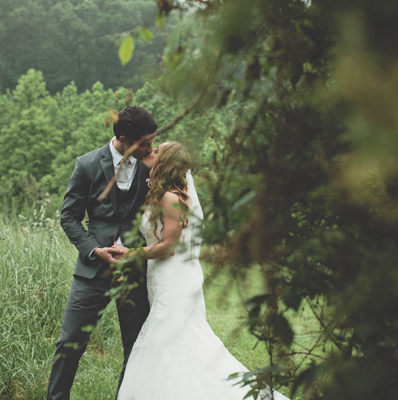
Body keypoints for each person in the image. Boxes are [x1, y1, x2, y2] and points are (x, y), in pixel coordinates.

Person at [111, 141, 290, 400]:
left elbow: (169, 246)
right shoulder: (165, 192)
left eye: (157, 150)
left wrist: (130, 254)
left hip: (172, 276)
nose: (152, 151)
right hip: (162, 275)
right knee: (176, 339)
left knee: (170, 337)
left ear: (165, 163)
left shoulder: (170, 197)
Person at [47, 105, 158, 400]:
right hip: (93, 271)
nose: (151, 148)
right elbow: (69, 217)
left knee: (135, 347)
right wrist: (94, 249)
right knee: (69, 342)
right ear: (123, 138)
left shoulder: (150, 164)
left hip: (135, 271)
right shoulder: (86, 165)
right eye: (145, 143)